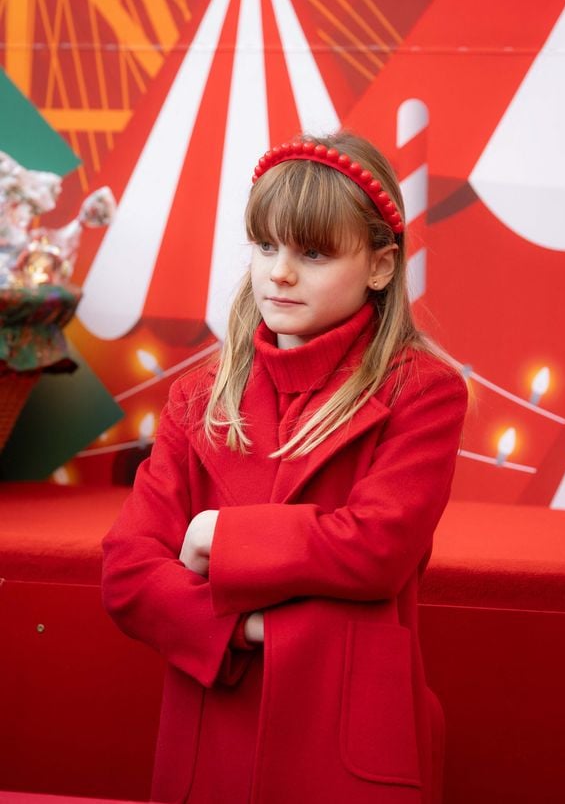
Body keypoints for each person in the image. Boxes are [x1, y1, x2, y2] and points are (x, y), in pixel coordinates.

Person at [101, 131, 469, 804]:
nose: (279, 273)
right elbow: (128, 569)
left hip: (347, 736)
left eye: (314, 252)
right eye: (266, 245)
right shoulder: (200, 394)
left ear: (381, 265)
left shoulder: (421, 390)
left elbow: (376, 548)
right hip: (212, 732)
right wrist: (244, 627)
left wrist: (216, 533)